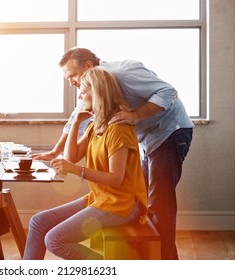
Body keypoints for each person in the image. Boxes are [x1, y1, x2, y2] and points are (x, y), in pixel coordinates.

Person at [33, 47, 194, 259]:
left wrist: (135, 115)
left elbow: (168, 92)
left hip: (169, 130)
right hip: (145, 137)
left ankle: (165, 265)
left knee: (159, 204)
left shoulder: (124, 73)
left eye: (72, 76)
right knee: (142, 200)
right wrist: (56, 150)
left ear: (88, 67)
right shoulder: (97, 107)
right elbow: (77, 116)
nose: (73, 84)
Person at [23, 67, 148, 260]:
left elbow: (116, 179)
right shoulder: (95, 125)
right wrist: (75, 123)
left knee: (54, 240)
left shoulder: (119, 128)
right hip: (101, 198)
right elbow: (71, 156)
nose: (80, 97)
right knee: (38, 222)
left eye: (82, 92)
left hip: (121, 205)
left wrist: (76, 170)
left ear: (96, 93)